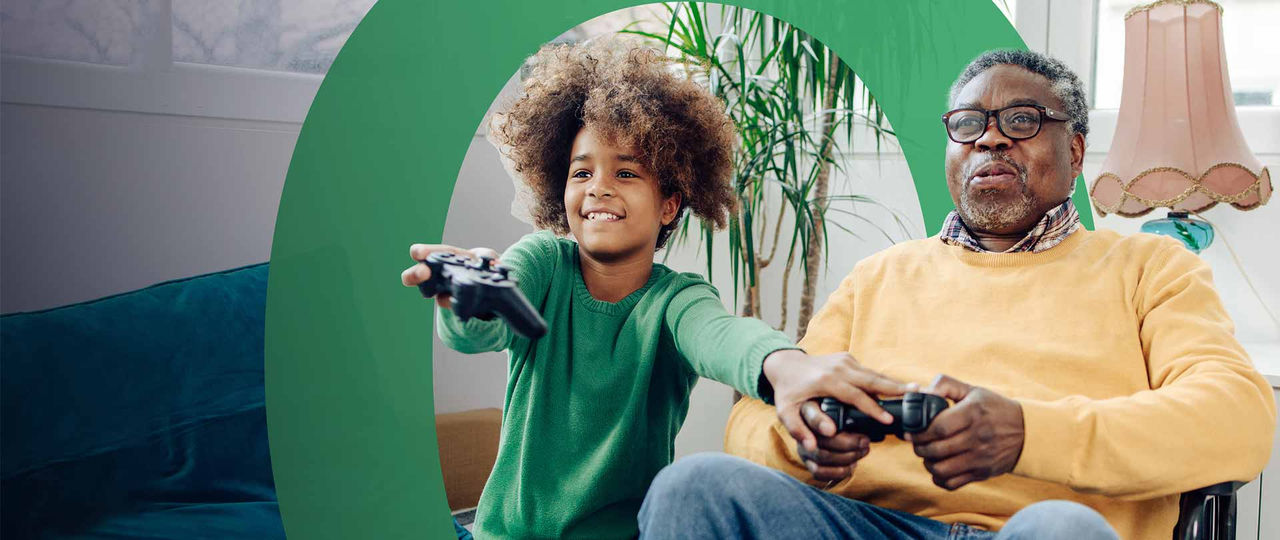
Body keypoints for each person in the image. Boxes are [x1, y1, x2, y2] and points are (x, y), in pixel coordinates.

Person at [637, 49, 1276, 540]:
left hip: (1041, 529)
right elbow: (755, 414)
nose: (989, 139)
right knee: (694, 486)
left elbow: (1235, 418)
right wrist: (804, 439)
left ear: (1075, 152)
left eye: (1021, 120)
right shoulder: (878, 277)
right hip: (875, 524)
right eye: (968, 124)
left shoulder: (1150, 268)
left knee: (1063, 530)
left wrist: (1027, 434)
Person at [400, 40, 905, 539]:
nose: (599, 186)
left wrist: (788, 366)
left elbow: (721, 336)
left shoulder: (677, 300)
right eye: (582, 172)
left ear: (668, 205)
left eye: (625, 172)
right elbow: (477, 329)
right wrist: (468, 296)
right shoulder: (541, 262)